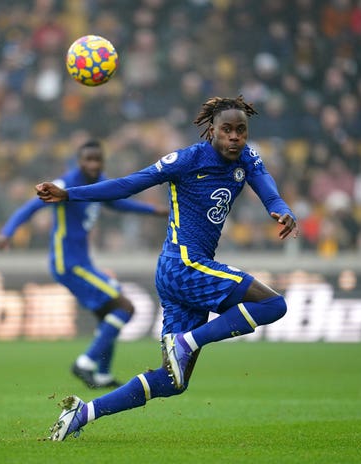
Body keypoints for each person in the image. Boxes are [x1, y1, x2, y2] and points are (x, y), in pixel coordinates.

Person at [36, 96, 299, 441]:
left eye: (241, 131)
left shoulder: (247, 158)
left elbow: (268, 189)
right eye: (227, 130)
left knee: (172, 382)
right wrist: (70, 194)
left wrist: (280, 209)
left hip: (182, 273)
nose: (235, 137)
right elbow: (129, 183)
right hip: (184, 264)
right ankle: (187, 341)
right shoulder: (188, 159)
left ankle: (83, 413)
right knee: (273, 304)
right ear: (212, 132)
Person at [0, 139, 167, 389]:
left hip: (81, 261)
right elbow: (30, 208)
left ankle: (103, 374)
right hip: (69, 262)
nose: (94, 164)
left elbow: (117, 202)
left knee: (109, 314)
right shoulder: (65, 184)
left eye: (98, 160)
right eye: (89, 159)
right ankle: (85, 363)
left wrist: (153, 211)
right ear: (79, 161)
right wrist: (7, 232)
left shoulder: (98, 182)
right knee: (126, 307)